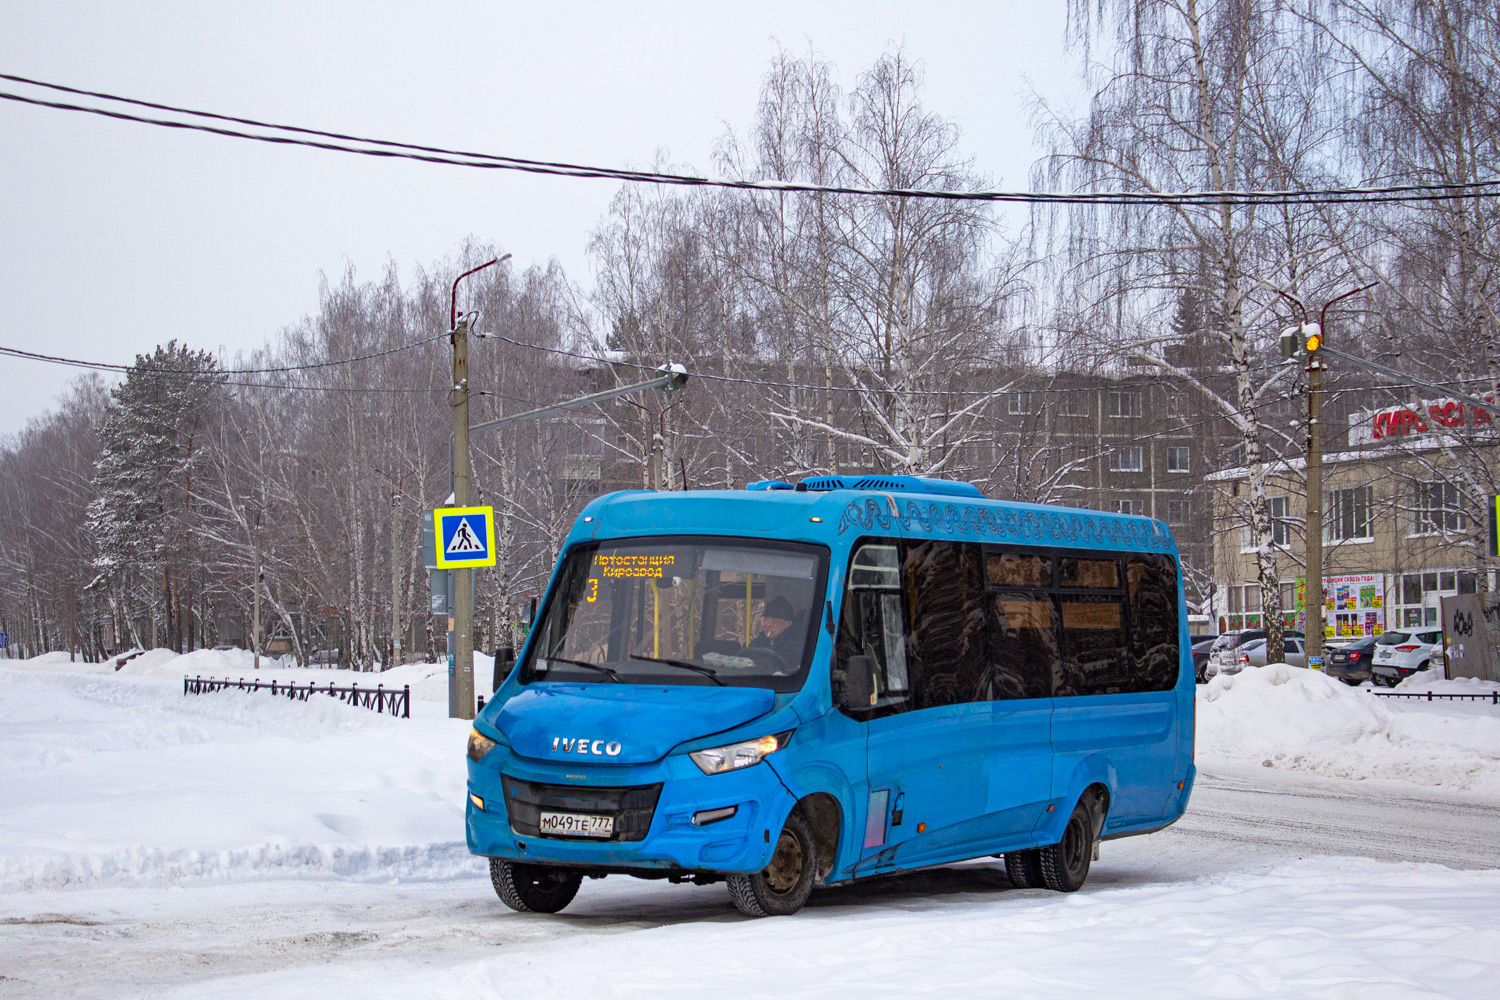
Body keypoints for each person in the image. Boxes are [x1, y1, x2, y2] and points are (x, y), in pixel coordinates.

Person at [750, 596, 803, 663]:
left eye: (775, 620)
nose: (768, 624)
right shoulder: (757, 644)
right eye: (766, 618)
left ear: (788, 623)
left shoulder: (795, 646)